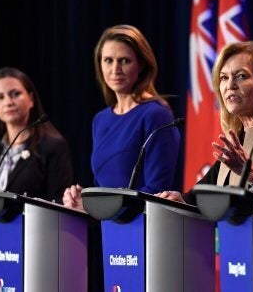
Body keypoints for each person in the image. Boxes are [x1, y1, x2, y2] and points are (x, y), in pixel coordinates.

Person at [157, 41, 253, 204]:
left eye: (241, 76)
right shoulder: (237, 137)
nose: (230, 86)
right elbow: (199, 195)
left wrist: (252, 174)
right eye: (224, 78)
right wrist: (179, 199)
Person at [62, 25, 180, 210]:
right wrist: (82, 199)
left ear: (141, 65)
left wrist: (97, 207)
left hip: (142, 228)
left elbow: (157, 191)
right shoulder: (100, 120)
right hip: (106, 228)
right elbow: (103, 186)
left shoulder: (157, 115)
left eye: (124, 60)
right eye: (108, 60)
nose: (115, 69)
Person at [0, 67, 73, 208]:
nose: (8, 102)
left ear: (31, 99)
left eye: (15, 94)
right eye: (0, 97)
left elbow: (60, 201)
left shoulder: (53, 146)